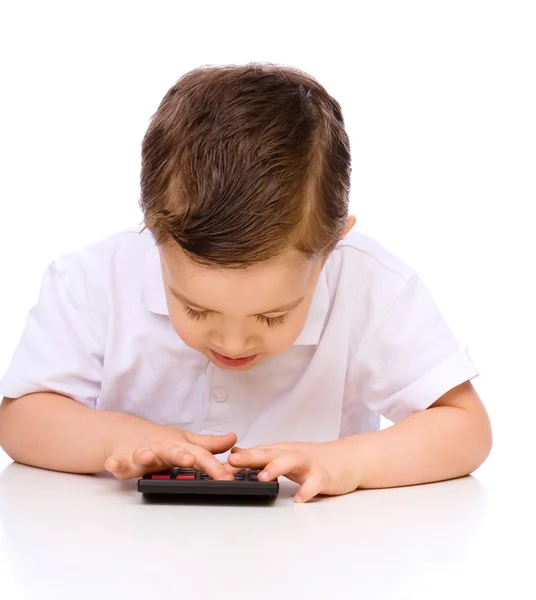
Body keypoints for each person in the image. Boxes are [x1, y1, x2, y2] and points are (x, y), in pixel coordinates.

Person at [0, 63, 492, 503]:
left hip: (320, 556)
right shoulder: (93, 280)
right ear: (153, 231)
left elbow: (466, 429)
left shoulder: (372, 286)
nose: (233, 343)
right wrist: (116, 439)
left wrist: (350, 461)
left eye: (273, 315)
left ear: (332, 247)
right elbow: (21, 418)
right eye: (195, 309)